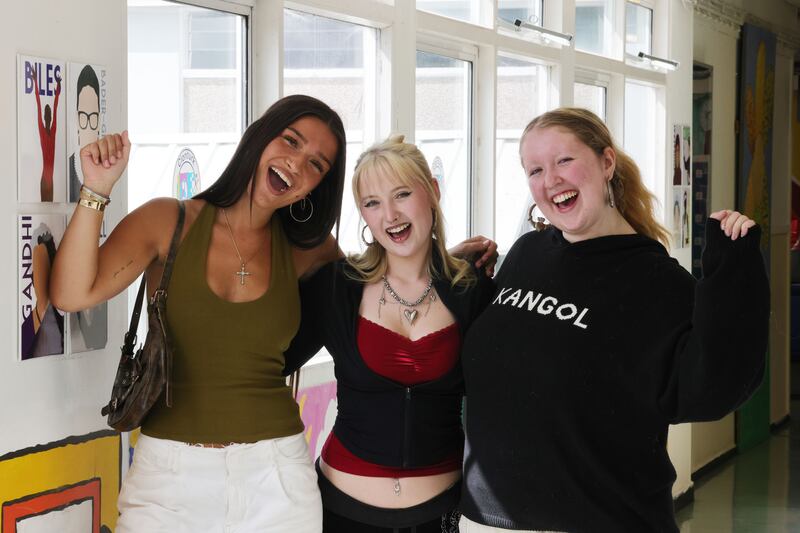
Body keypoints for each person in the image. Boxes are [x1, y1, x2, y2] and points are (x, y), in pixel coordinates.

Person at [458, 108, 769, 533]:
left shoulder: (656, 281)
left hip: (601, 519)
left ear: (607, 163)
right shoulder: (527, 254)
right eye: (535, 169)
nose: (550, 180)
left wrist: (733, 275)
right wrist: (453, 277)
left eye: (564, 160)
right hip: (485, 520)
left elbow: (712, 389)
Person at [52, 94, 349, 533]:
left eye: (316, 164)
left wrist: (437, 259)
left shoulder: (310, 251)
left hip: (278, 478)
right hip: (168, 481)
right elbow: (72, 294)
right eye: (291, 141)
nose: (296, 164)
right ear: (260, 135)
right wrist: (96, 189)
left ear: (317, 187)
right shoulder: (167, 221)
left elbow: (375, 289)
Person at [283, 135, 495, 532]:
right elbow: (271, 360)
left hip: (441, 515)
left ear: (431, 191)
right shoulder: (336, 288)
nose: (390, 215)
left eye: (401, 194)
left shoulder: (473, 289)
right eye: (372, 203)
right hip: (341, 512)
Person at [69, 64, 101, 203]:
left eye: (93, 116)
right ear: (77, 118)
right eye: (83, 116)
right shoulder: (69, 166)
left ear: (99, 121)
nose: (88, 126)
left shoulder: (105, 168)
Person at [32, 67, 61, 202]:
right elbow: (38, 103)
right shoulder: (42, 130)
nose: (49, 115)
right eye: (47, 114)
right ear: (44, 116)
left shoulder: (54, 129)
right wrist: (35, 81)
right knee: (45, 206)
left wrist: (59, 86)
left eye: (49, 114)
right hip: (45, 179)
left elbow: (56, 105)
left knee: (51, 209)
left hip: (51, 180)